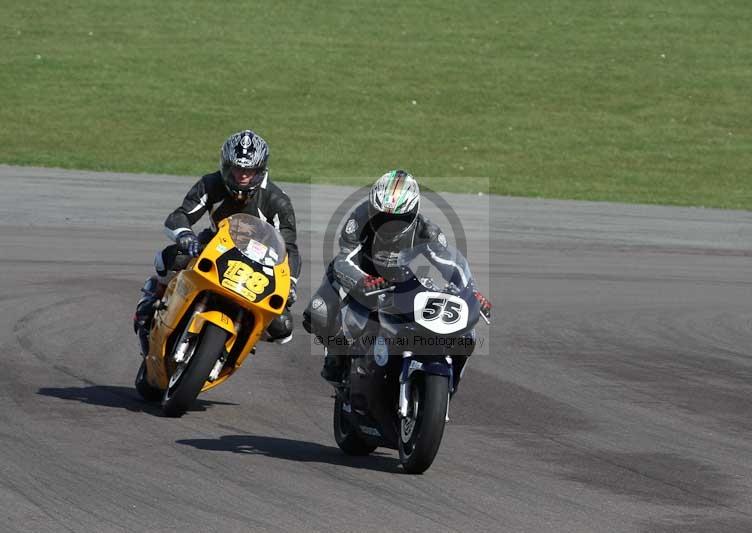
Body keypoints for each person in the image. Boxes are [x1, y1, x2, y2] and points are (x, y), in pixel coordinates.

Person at [302, 169, 491, 382]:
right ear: (372, 209)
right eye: (382, 217)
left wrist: (471, 292)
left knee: (466, 336)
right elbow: (343, 260)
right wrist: (363, 281)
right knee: (318, 311)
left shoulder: (427, 231)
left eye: (398, 219)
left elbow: (451, 265)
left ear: (413, 213)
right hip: (359, 272)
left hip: (403, 281)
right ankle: (338, 357)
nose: (388, 225)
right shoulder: (359, 219)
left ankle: (446, 381)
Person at [134, 130, 300, 353]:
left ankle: (243, 338)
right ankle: (152, 301)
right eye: (237, 168)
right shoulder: (211, 183)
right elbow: (180, 215)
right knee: (167, 259)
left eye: (249, 170)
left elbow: (289, 247)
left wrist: (290, 284)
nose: (242, 175)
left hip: (259, 265)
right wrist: (185, 235)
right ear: (227, 165)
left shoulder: (278, 201)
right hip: (213, 246)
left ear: (260, 169)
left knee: (283, 327)